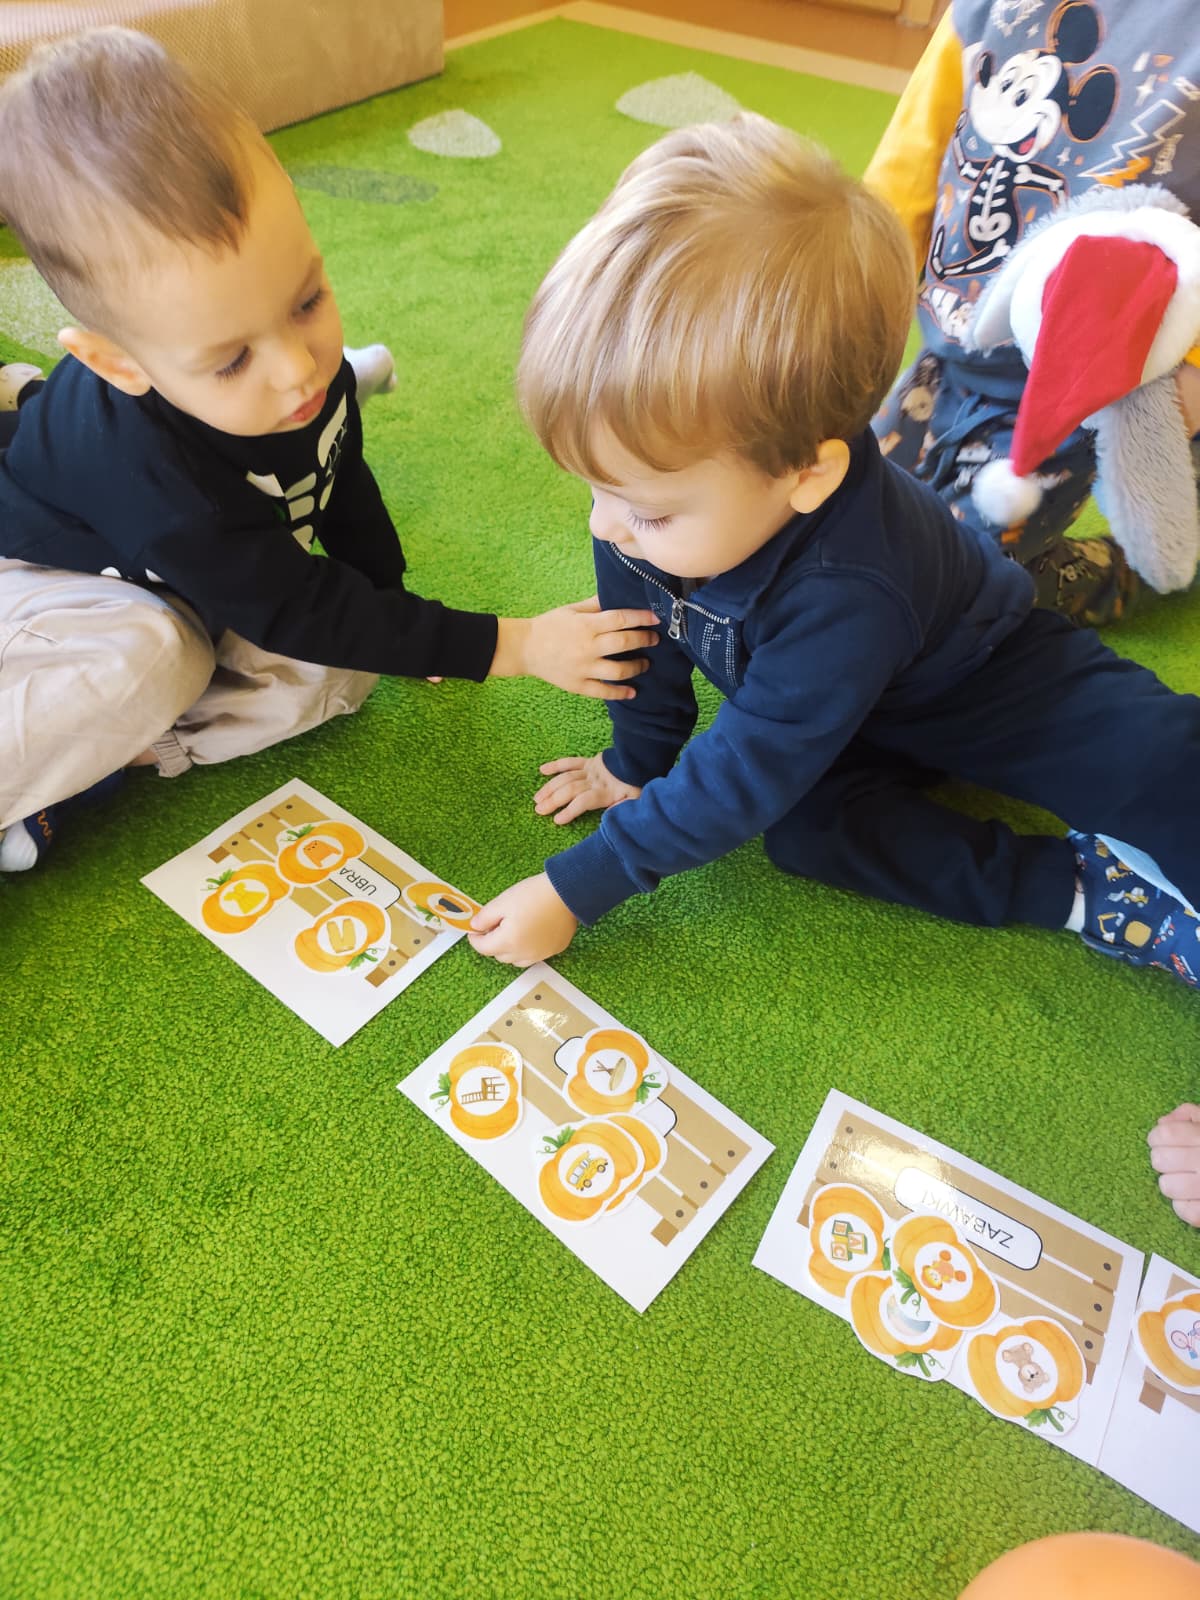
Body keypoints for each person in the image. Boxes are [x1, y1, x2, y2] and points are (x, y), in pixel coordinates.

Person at [467, 113, 1200, 1011]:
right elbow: (642, 640)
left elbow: (745, 762)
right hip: (839, 715)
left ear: (807, 474)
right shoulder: (639, 507)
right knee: (804, 830)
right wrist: (636, 764)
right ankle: (1083, 890)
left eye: (645, 510)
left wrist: (576, 888)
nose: (606, 526)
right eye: (593, 488)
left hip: (981, 679)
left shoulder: (849, 586)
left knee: (1158, 761)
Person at [0, 29, 659, 871]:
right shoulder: (158, 480)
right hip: (50, 576)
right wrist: (514, 645)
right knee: (160, 660)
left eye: (307, 300)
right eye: (231, 360)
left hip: (203, 575)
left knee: (346, 668)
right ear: (119, 364)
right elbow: (295, 606)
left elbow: (341, 478)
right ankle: (70, 764)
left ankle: (103, 746)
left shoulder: (305, 375)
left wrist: (398, 602)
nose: (297, 369)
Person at [864, 0, 1200, 627]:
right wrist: (860, 286)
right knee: (860, 509)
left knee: (955, 588)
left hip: (1084, 384)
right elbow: (913, 154)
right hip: (954, 337)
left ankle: (1113, 577)